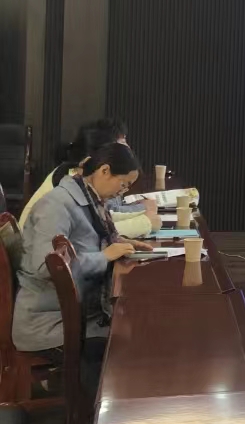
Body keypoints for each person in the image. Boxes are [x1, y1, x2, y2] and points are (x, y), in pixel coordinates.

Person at [14, 143, 153, 394]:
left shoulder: (88, 197)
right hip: (50, 321)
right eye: (123, 184)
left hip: (76, 310)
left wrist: (118, 242)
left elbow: (86, 242)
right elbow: (46, 266)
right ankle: (90, 411)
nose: (121, 192)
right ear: (104, 170)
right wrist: (104, 256)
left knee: (137, 328)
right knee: (127, 342)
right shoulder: (56, 205)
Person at [20, 119, 155, 239]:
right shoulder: (72, 179)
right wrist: (144, 222)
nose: (128, 150)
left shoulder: (88, 174)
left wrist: (142, 211)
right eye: (122, 146)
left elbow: (106, 215)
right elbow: (90, 233)